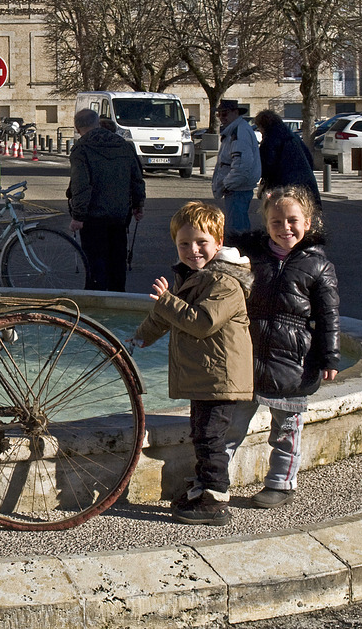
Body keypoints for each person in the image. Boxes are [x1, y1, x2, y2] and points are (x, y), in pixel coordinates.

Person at [130, 201, 254, 525]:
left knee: (212, 437)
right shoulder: (195, 277)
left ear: (218, 242)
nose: (193, 250)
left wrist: (168, 300)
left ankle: (215, 499)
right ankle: (202, 487)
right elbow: (165, 317)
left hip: (221, 380)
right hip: (206, 378)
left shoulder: (225, 283)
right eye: (184, 243)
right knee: (202, 433)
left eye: (201, 243)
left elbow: (201, 322)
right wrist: (142, 337)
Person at [224, 185, 340, 508]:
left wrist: (330, 356)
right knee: (231, 425)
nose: (284, 228)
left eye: (292, 221)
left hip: (293, 363)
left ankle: (281, 482)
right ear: (266, 224)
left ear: (308, 222)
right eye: (276, 222)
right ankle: (216, 482)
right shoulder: (254, 257)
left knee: (287, 429)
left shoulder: (318, 266)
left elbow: (329, 315)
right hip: (250, 358)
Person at [67, 108, 145, 291]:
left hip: (93, 216)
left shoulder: (82, 148)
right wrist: (138, 204)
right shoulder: (123, 145)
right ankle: (118, 298)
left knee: (95, 262)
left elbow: (81, 185)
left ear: (77, 127)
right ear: (97, 123)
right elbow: (136, 177)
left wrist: (78, 216)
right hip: (120, 214)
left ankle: (97, 302)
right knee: (117, 260)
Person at [211, 99, 261, 238]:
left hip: (238, 188)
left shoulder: (239, 132)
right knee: (239, 226)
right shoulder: (237, 129)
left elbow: (242, 165)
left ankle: (241, 253)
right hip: (238, 186)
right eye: (219, 114)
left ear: (235, 112)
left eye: (225, 113)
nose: (221, 117)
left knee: (237, 230)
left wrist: (228, 183)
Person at [253, 110, 321, 208]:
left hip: (283, 184)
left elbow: (266, 166)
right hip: (306, 181)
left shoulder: (270, 140)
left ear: (263, 126)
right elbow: (309, 158)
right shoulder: (293, 137)